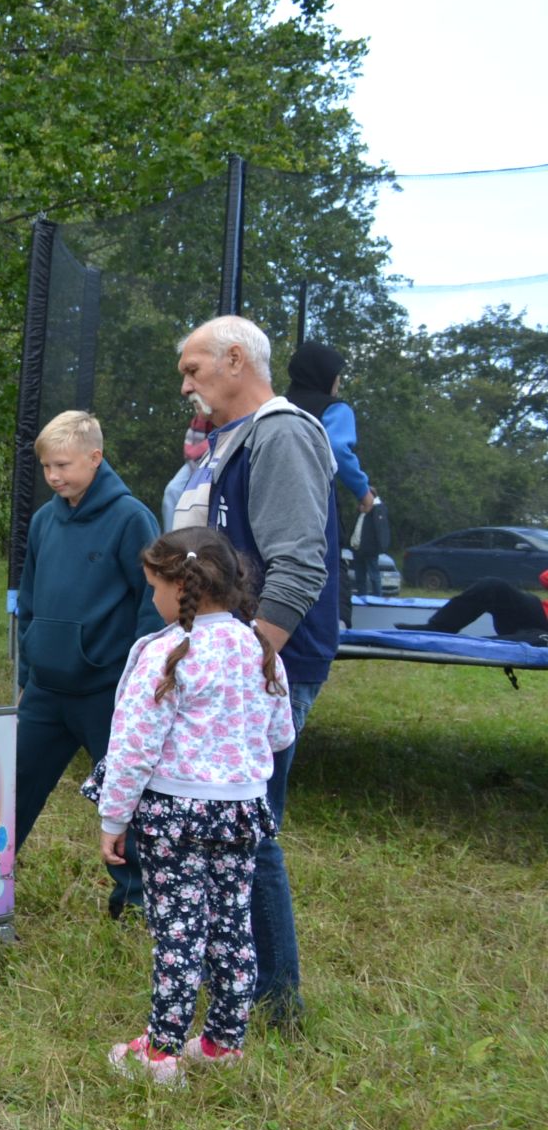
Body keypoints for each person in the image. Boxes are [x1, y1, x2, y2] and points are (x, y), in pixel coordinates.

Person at [170, 315, 337, 1029]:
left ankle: (275, 1001)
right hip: (231, 659)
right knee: (226, 821)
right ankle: (234, 976)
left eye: (194, 370)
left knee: (249, 825)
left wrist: (250, 656)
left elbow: (299, 563)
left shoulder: (283, 432)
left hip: (268, 663)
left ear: (236, 360)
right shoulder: (228, 443)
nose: (186, 385)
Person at [96, 527, 296, 1084]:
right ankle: (222, 1043)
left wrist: (114, 818)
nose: (152, 597)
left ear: (179, 585)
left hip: (174, 817)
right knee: (233, 926)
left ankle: (160, 1054)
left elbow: (132, 748)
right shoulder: (260, 649)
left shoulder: (167, 654)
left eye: (154, 586)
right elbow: (280, 734)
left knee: (179, 932)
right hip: (240, 813)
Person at [14, 410, 161, 917]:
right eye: (46, 467)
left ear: (95, 458)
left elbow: (153, 601)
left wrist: (137, 682)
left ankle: (138, 899)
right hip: (46, 691)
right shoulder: (43, 521)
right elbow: (28, 602)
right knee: (11, 784)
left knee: (126, 798)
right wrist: (26, 674)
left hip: (106, 691)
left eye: (63, 465)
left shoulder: (130, 517)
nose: (53, 476)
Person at [285, 340, 381, 595]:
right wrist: (363, 491)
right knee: (330, 569)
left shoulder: (277, 406)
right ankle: (339, 625)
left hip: (276, 501)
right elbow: (338, 449)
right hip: (317, 505)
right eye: (337, 377)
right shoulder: (335, 409)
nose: (338, 384)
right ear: (325, 377)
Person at [398, 569, 548, 641]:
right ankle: (438, 628)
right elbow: (544, 578)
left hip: (540, 633)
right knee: (492, 585)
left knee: (535, 642)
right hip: (537, 613)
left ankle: (475, 645)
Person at [160, 415, 214, 532]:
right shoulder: (197, 422)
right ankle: (171, 538)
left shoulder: (223, 411)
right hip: (194, 463)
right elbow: (190, 451)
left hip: (214, 459)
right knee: (172, 490)